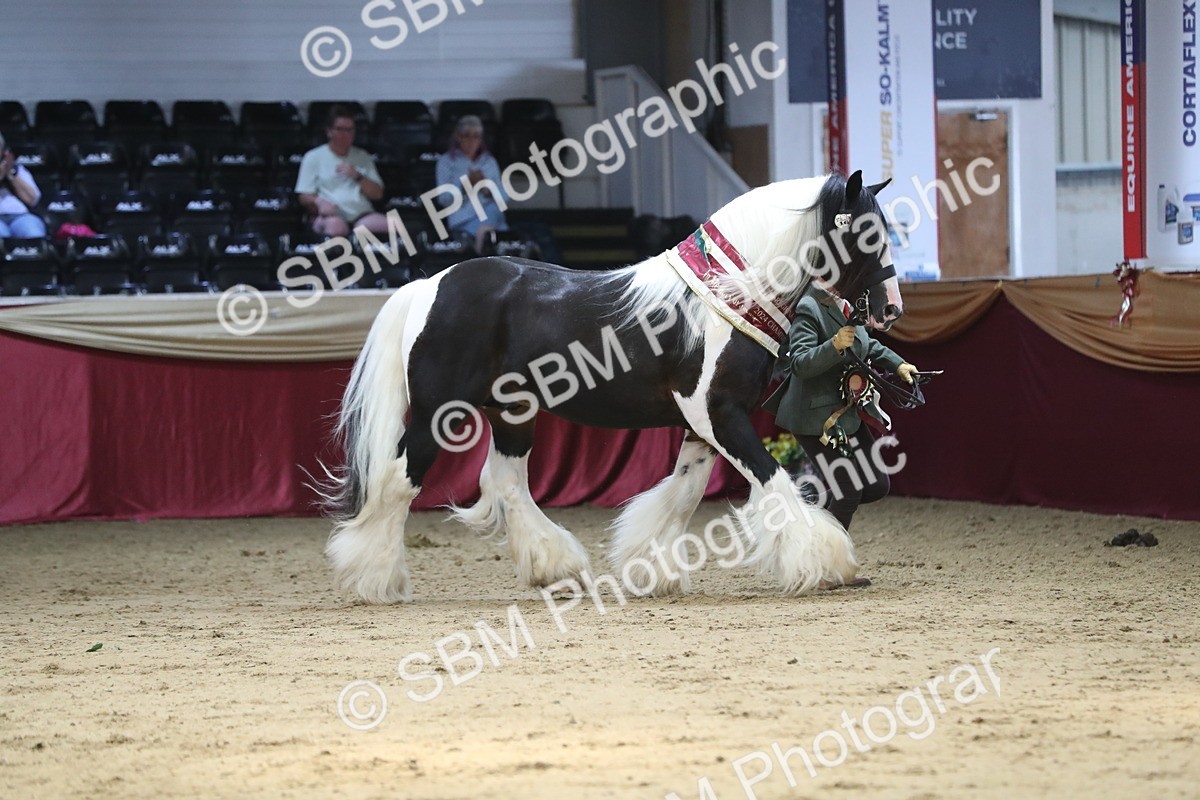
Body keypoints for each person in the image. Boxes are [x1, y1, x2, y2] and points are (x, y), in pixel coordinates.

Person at [764, 282, 919, 532]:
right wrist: (833, 345)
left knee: (877, 485)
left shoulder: (847, 305)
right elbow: (800, 364)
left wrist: (898, 364)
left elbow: (867, 346)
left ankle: (797, 508)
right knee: (848, 490)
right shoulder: (809, 306)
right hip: (812, 417)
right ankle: (829, 565)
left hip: (843, 412)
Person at [295, 106, 389, 237]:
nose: (346, 135)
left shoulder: (363, 157)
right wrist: (320, 202)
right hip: (330, 215)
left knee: (393, 226)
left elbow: (378, 194)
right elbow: (303, 195)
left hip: (360, 214)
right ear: (329, 131)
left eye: (349, 130)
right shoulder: (313, 157)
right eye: (340, 130)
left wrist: (358, 176)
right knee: (336, 228)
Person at [435, 115, 508, 253]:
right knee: (488, 233)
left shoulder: (489, 162)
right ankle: (482, 245)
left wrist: (487, 188)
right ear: (458, 137)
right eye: (466, 136)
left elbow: (504, 198)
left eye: (476, 136)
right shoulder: (445, 162)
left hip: (492, 214)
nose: (471, 141)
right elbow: (443, 199)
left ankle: (484, 241)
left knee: (495, 218)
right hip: (463, 218)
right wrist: (464, 186)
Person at [0, 132, 46, 238]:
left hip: (21, 217)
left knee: (34, 233)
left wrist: (10, 175)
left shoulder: (16, 169)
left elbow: (33, 199)